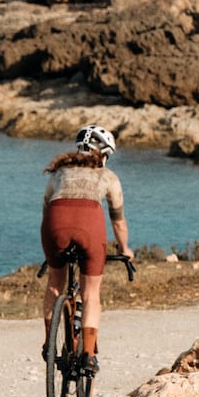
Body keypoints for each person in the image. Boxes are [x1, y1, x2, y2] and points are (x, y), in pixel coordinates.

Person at [40, 124, 130, 373]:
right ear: (103, 154)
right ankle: (88, 355)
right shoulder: (108, 176)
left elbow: (46, 209)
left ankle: (49, 343)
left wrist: (50, 246)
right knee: (91, 292)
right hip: (89, 227)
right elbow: (118, 221)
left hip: (54, 225)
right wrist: (125, 248)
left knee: (54, 284)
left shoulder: (58, 173)